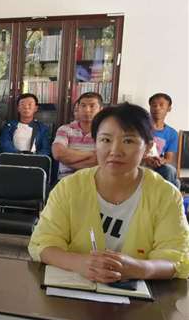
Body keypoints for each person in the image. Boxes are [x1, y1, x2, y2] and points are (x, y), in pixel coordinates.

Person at [29, 103, 189, 281]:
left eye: (128, 141)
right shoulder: (70, 187)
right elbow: (43, 243)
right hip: (74, 289)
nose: (115, 151)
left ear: (147, 147)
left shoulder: (165, 195)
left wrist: (139, 268)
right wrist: (80, 263)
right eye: (106, 140)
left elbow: (177, 258)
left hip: (141, 294)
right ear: (95, 143)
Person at [52, 92, 102, 179]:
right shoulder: (64, 129)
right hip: (66, 180)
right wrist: (91, 154)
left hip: (94, 180)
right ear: (78, 108)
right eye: (83, 105)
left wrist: (68, 162)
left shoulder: (105, 132)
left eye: (92, 106)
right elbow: (58, 154)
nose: (87, 110)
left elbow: (100, 161)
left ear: (100, 110)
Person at [145, 92, 179, 187]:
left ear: (169, 109)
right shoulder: (140, 128)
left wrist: (161, 161)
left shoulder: (172, 133)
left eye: (161, 105)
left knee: (170, 171)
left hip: (159, 166)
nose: (157, 108)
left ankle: (167, 195)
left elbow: (169, 158)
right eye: (154, 105)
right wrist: (146, 159)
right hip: (142, 163)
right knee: (175, 182)